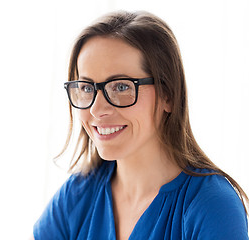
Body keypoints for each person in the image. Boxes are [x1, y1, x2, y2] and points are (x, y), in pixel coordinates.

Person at [31, 10, 249, 239]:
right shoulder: (77, 195)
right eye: (86, 88)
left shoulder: (212, 206)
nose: (96, 109)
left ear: (168, 96)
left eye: (121, 87)